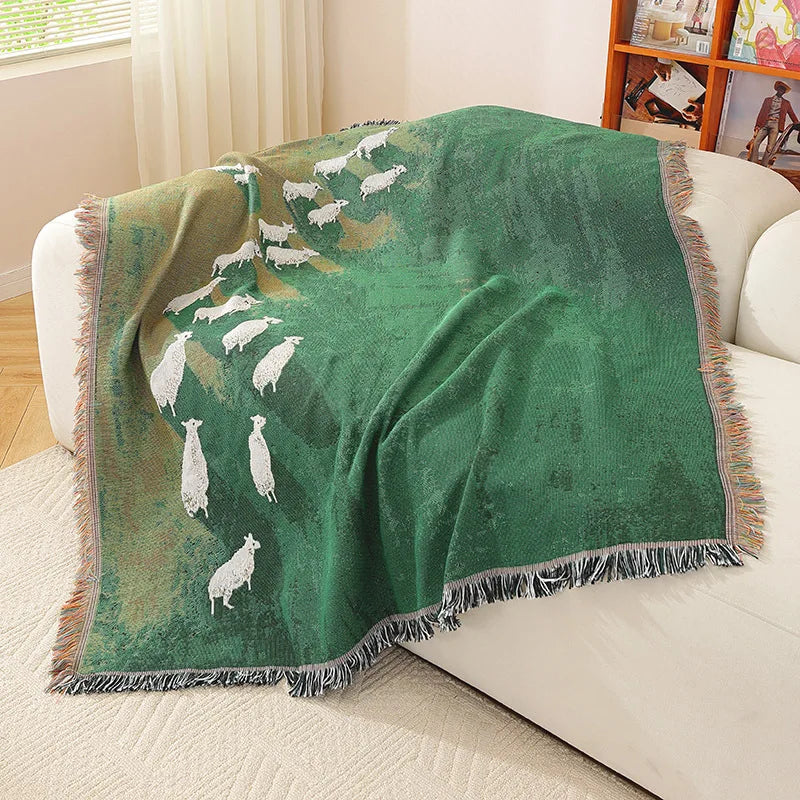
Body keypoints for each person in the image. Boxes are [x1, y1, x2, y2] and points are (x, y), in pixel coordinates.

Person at [749, 80, 799, 166]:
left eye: (783, 90)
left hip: (776, 125)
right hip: (765, 123)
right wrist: (757, 125)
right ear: (777, 89)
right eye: (780, 88)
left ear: (784, 92)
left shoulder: (786, 103)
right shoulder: (767, 100)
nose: (781, 91)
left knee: (770, 147)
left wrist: (796, 122)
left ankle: (764, 165)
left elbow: (792, 114)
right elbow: (761, 112)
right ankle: (754, 163)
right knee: (756, 142)